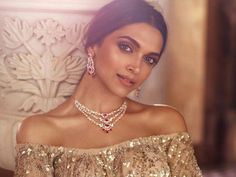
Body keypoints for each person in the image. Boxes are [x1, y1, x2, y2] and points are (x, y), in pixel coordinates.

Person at [14, 0, 202, 176]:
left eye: (149, 59)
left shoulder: (166, 122)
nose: (136, 67)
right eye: (126, 47)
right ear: (93, 45)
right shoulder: (40, 131)